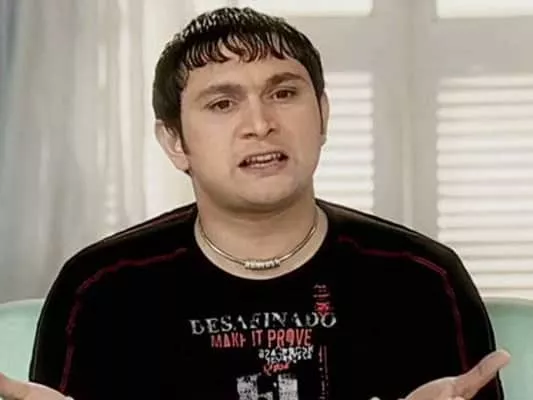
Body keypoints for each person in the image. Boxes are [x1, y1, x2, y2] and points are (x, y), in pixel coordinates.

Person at [0, 6, 510, 400]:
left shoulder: (423, 279)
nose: (261, 124)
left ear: (323, 115)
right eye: (222, 103)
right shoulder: (100, 290)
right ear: (175, 141)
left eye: (283, 93)